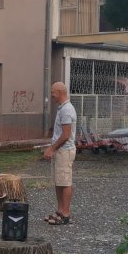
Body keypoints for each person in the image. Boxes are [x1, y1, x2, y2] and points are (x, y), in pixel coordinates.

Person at [43, 81, 76, 225]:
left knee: (65, 181)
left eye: (53, 92)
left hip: (65, 151)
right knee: (59, 181)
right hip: (60, 150)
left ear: (60, 92)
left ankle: (65, 214)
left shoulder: (67, 109)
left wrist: (52, 148)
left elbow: (66, 135)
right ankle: (60, 211)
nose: (51, 95)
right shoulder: (62, 108)